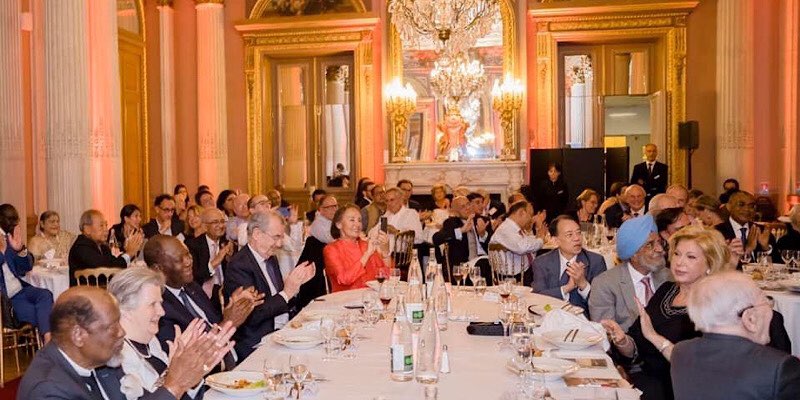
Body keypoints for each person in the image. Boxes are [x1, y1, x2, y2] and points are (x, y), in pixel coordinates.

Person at [602, 226, 790, 400]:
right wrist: (623, 341)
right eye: (677, 254)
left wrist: (652, 337)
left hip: (683, 388)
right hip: (644, 381)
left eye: (691, 257)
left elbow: (713, 365)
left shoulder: (717, 307)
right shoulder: (666, 290)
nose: (679, 262)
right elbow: (636, 346)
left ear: (710, 264)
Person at [18, 286, 231, 400]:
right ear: (79, 335)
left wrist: (180, 377)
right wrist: (175, 384)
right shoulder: (48, 390)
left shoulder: (101, 361)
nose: (122, 332)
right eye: (112, 327)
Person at [108, 267, 234, 399]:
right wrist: (175, 372)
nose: (161, 312)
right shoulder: (118, 359)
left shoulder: (151, 342)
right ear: (124, 309)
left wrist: (192, 374)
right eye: (152, 304)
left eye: (160, 303)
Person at [670, 272, 800, 400]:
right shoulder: (778, 367)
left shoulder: (680, 352)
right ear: (750, 318)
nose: (770, 310)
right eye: (766, 301)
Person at [144, 235, 262, 370]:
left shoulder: (191, 286)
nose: (188, 262)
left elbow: (213, 323)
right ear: (157, 269)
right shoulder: (159, 307)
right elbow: (187, 360)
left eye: (188, 254)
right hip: (207, 378)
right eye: (179, 259)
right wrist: (229, 323)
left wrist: (231, 308)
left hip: (234, 357)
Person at [223, 211, 316, 359]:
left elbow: (280, 300)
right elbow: (252, 315)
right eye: (276, 237)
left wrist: (295, 285)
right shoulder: (239, 266)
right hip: (255, 343)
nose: (279, 244)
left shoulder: (270, 258)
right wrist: (287, 292)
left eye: (281, 237)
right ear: (257, 234)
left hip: (280, 332)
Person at [590, 214, 669, 331]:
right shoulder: (605, 284)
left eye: (659, 242)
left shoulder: (670, 277)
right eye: (649, 244)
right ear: (633, 254)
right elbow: (607, 333)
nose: (660, 249)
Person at [0, 204, 54, 343]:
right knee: (44, 314)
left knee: (46, 294)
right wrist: (1, 252)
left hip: (21, 291)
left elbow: (26, 267)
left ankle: (47, 342)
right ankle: (48, 344)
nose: (14, 224)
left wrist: (21, 250)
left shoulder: (9, 239)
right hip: (6, 301)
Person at [532, 215, 607, 310]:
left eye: (578, 233)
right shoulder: (541, 262)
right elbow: (537, 297)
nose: (577, 238)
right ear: (555, 240)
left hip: (582, 321)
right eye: (569, 235)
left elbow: (603, 302)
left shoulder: (595, 261)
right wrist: (567, 288)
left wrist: (583, 284)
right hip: (550, 317)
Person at [323, 204, 389, 292]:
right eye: (352, 220)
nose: (357, 224)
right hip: (345, 300)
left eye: (359, 220)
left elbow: (385, 274)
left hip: (370, 298)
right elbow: (344, 279)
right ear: (339, 224)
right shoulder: (331, 249)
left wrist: (385, 252)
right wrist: (367, 255)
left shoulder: (366, 245)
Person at [69, 209, 143, 286]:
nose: (106, 230)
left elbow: (114, 263)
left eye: (106, 225)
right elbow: (107, 269)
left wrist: (129, 252)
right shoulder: (82, 247)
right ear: (87, 229)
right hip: (85, 295)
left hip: (103, 292)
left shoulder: (103, 246)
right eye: (101, 225)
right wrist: (128, 254)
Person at [432, 196, 492, 282]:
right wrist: (461, 230)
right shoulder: (451, 223)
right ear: (455, 212)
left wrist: (483, 235)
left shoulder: (483, 220)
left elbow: (493, 245)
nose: (467, 208)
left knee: (485, 264)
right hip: (464, 267)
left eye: (468, 204)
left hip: (484, 264)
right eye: (462, 207)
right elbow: (436, 239)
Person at [490, 201, 546, 285]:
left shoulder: (514, 229)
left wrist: (538, 236)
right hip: (515, 277)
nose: (531, 219)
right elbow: (522, 247)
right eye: (530, 215)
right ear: (521, 213)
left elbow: (526, 241)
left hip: (524, 272)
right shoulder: (506, 229)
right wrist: (540, 240)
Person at [185, 208, 233, 302]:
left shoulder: (228, 244)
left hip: (226, 291)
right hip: (204, 294)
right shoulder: (193, 245)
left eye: (222, 221)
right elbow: (195, 275)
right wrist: (216, 261)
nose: (220, 225)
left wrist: (230, 259)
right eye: (215, 222)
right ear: (205, 226)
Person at [716, 191, 776, 261]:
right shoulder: (717, 232)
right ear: (729, 207)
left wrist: (766, 248)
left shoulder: (761, 231)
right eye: (741, 205)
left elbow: (779, 265)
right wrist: (748, 250)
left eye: (751, 206)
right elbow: (717, 264)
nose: (747, 209)